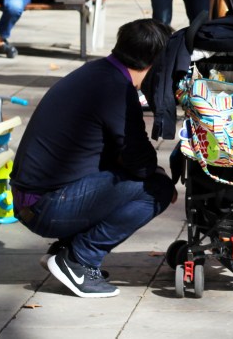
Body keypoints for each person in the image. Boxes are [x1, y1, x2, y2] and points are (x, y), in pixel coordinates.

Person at [11, 18, 175, 298]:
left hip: (32, 199)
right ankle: (79, 259)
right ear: (156, 62)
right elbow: (139, 161)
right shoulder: (116, 90)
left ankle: (66, 250)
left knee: (134, 174)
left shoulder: (98, 72)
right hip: (46, 206)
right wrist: (158, 173)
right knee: (157, 189)